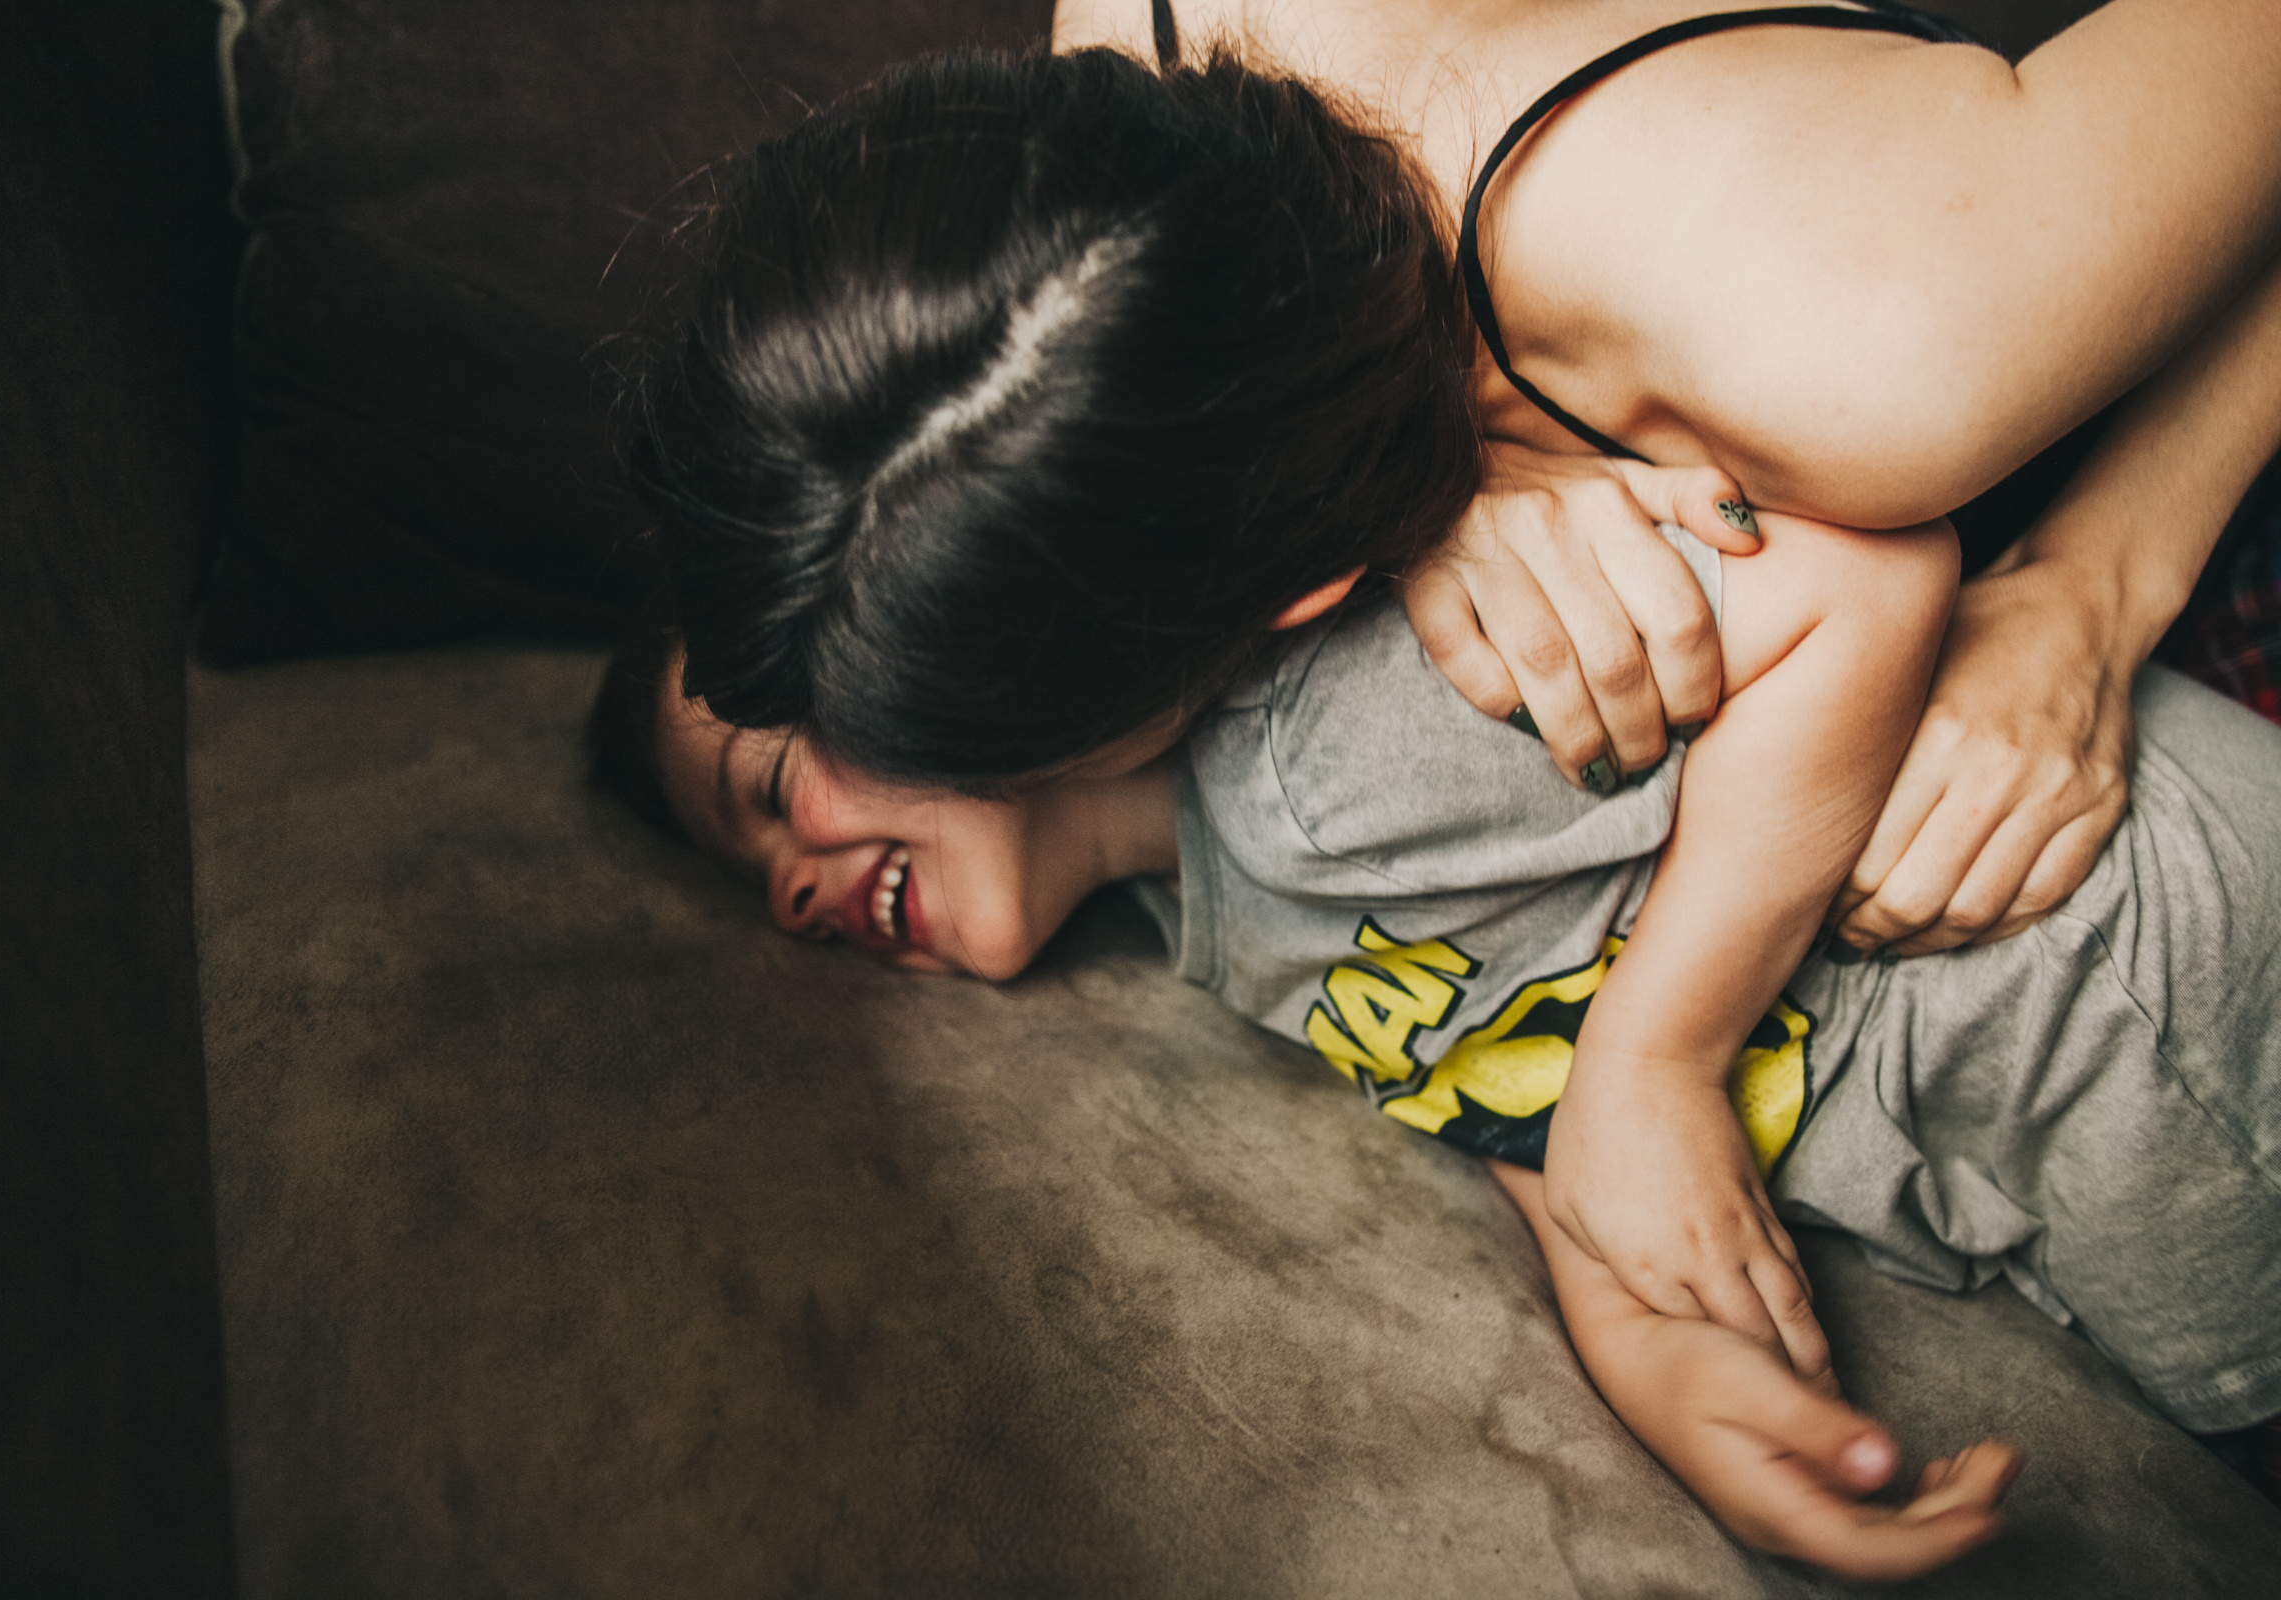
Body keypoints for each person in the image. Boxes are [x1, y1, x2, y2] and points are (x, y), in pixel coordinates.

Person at [612, 505, 2281, 1579]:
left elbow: (1848, 588)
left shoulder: (1324, 736)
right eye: (756, 878)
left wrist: (1661, 1052)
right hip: (2112, 1173)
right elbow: (1520, 1084)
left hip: (2152, 987)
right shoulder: (1211, 920)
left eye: (771, 786)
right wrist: (1658, 1358)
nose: (791, 893)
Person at [628, 0, 2281, 944]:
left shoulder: (1877, 342)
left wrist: (2097, 585)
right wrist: (1423, 473)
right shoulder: (1113, 57)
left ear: (1297, 606)